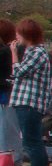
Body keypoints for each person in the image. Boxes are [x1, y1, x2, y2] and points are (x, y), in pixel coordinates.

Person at [11, 19, 52, 166]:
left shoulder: (37, 53)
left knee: (30, 138)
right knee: (33, 137)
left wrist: (13, 54)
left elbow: (19, 72)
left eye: (19, 33)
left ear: (27, 34)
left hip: (30, 102)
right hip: (27, 101)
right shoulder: (32, 52)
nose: (16, 36)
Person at [0, 19, 20, 156]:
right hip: (9, 93)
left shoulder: (7, 51)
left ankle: (12, 159)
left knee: (8, 128)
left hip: (8, 94)